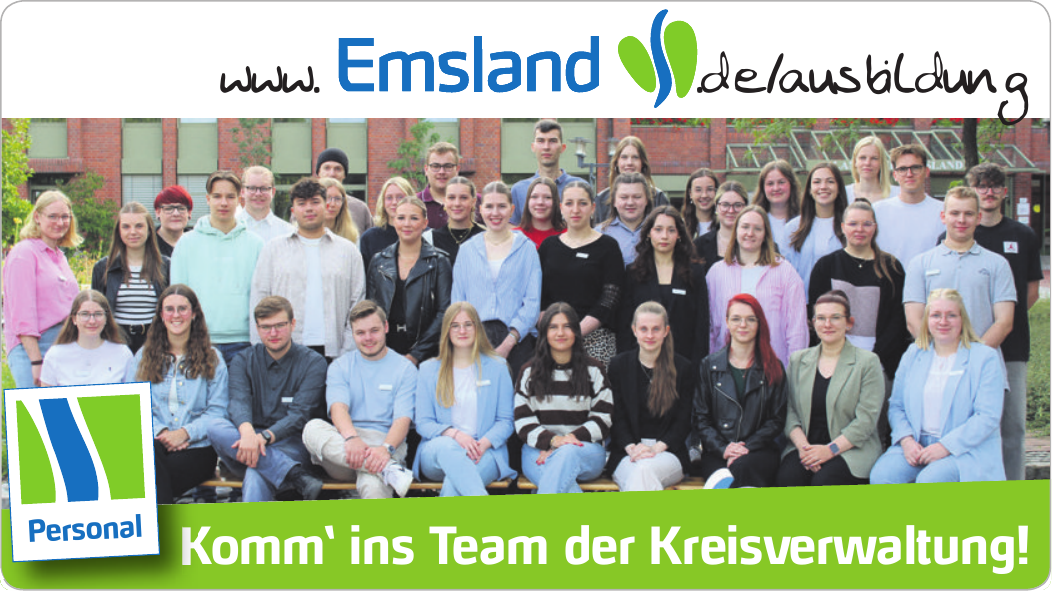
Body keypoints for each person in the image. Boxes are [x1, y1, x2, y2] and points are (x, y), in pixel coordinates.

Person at [870, 289, 1006, 483]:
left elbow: (987, 416)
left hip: (964, 449)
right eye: (936, 315)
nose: (943, 322)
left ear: (962, 319)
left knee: (931, 479)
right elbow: (897, 405)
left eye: (951, 315)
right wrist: (906, 441)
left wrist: (945, 446)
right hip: (917, 443)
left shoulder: (984, 357)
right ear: (927, 320)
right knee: (883, 475)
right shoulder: (913, 353)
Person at [964, 163, 1043, 481]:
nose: (989, 192)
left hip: (1012, 344)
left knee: (1012, 426)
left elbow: (1031, 292)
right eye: (982, 186)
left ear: (1005, 192)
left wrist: (1003, 321)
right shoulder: (961, 232)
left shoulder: (1023, 235)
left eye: (995, 186)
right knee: (971, 424)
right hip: (966, 345)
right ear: (972, 190)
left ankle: (1013, 492)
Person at [207, 296, 327, 502]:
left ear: (293, 324)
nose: (273, 333)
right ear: (257, 328)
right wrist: (248, 434)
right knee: (215, 426)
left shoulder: (313, 363)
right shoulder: (243, 360)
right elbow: (239, 401)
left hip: (291, 446)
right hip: (243, 446)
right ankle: (294, 475)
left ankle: (285, 474)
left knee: (256, 473)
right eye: (266, 327)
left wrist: (262, 439)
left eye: (280, 325)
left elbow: (300, 415)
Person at [302, 300, 417, 499]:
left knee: (373, 487)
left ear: (386, 327)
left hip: (386, 445)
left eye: (374, 331)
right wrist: (352, 438)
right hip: (346, 449)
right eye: (360, 333)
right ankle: (388, 470)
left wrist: (385, 450)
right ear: (353, 334)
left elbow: (402, 420)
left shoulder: (405, 369)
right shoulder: (340, 366)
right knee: (311, 429)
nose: (368, 338)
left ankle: (380, 469)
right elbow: (338, 408)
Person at [127, 284, 228, 505]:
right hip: (155, 444)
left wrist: (184, 433)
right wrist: (162, 432)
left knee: (144, 477)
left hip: (197, 448)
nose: (176, 315)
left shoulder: (213, 359)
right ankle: (164, 522)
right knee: (151, 456)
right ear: (161, 315)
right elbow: (133, 405)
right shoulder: (143, 357)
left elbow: (218, 412)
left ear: (194, 314)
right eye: (169, 309)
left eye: (182, 309)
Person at [250, 177, 366, 362]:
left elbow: (357, 303)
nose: (309, 208)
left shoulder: (348, 251)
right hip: (284, 350)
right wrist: (262, 349)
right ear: (293, 210)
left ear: (326, 206)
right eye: (302, 203)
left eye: (315, 202)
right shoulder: (273, 250)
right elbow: (259, 299)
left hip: (334, 351)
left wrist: (347, 351)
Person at [777, 290, 885, 487]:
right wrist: (804, 448)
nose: (827, 324)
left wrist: (829, 450)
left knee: (824, 482)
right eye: (821, 318)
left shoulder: (867, 362)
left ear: (849, 323)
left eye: (835, 317)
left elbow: (866, 421)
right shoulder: (798, 360)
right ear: (813, 323)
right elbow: (788, 410)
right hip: (806, 446)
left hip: (850, 449)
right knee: (788, 479)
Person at [414, 302, 517, 496]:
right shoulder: (428, 370)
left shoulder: (498, 367)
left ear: (477, 328)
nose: (462, 331)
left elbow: (506, 421)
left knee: (454, 485)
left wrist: (483, 444)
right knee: (447, 447)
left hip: (484, 451)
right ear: (447, 331)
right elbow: (423, 423)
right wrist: (456, 435)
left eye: (468, 324)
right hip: (438, 452)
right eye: (455, 325)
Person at [514, 303, 614, 494]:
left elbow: (603, 418)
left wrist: (567, 441)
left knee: (565, 455)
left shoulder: (594, 370)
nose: (560, 333)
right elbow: (523, 421)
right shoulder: (528, 372)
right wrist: (552, 441)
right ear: (544, 333)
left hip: (585, 449)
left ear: (576, 331)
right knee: (558, 480)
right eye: (553, 327)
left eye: (567, 326)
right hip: (537, 450)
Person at [903, 187, 1015, 351]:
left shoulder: (998, 264)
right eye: (955, 213)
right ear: (943, 217)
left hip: (982, 361)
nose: (961, 220)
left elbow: (1004, 322)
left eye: (968, 214)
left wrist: (974, 357)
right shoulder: (920, 264)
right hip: (935, 359)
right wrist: (942, 355)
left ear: (978, 218)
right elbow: (914, 321)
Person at [170, 170, 264, 365]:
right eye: (217, 196)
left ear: (240, 200)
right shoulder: (186, 243)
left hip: (244, 342)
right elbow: (177, 296)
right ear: (207, 199)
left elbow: (263, 295)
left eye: (230, 197)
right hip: (199, 340)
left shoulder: (256, 244)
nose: (223, 203)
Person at [809, 199, 909, 379]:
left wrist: (873, 359)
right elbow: (817, 315)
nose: (860, 229)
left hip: (880, 364)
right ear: (842, 227)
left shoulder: (892, 268)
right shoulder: (826, 266)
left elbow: (898, 320)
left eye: (867, 224)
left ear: (875, 228)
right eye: (853, 224)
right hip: (834, 362)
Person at [694, 294, 787, 488]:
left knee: (740, 469)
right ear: (727, 322)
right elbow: (701, 418)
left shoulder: (773, 367)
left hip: (760, 451)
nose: (743, 325)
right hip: (718, 452)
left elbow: (777, 420)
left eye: (750, 319)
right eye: (736, 319)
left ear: (759, 323)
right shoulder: (709, 366)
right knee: (726, 475)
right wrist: (724, 448)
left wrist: (746, 447)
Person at [452, 181, 541, 377]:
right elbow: (458, 302)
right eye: (489, 206)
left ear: (512, 210)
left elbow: (532, 302)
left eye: (501, 206)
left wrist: (508, 343)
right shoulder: (466, 250)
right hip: (475, 342)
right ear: (480, 210)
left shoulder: (527, 248)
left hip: (517, 343)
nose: (495, 213)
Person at [706, 205, 808, 367]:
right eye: (745, 227)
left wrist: (793, 371)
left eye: (757, 229)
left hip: (773, 366)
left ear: (766, 234)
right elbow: (711, 328)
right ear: (736, 231)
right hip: (726, 368)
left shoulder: (785, 272)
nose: (750, 233)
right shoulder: (716, 273)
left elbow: (797, 330)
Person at [607, 302, 693, 491]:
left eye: (656, 329)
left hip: (668, 453)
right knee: (642, 472)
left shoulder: (683, 368)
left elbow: (683, 420)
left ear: (666, 331)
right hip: (627, 454)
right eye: (644, 329)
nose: (650, 335)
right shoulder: (619, 366)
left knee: (644, 470)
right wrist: (632, 448)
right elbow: (616, 416)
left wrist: (655, 449)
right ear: (634, 330)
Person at [538, 181, 626, 367]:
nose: (575, 209)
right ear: (561, 208)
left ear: (593, 208)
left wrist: (575, 332)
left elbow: (610, 297)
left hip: (596, 340)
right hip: (554, 340)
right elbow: (540, 296)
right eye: (569, 203)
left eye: (583, 203)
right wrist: (554, 331)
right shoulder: (548, 247)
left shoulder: (608, 246)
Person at [3, 190, 83, 388]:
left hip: (64, 343)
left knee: (62, 409)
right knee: (39, 407)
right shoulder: (24, 253)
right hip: (34, 347)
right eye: (52, 216)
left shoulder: (58, 256)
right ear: (37, 217)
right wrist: (36, 360)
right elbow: (22, 313)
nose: (59, 222)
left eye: (65, 217)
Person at [366, 196, 452, 366]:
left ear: (425, 223)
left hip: (428, 356)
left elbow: (445, 312)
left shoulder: (439, 262)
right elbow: (370, 309)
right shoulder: (378, 261)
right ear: (394, 221)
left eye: (414, 218)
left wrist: (416, 355)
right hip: (385, 354)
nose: (407, 224)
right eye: (401, 218)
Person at [619, 206, 709, 365]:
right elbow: (625, 325)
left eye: (671, 230)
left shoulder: (694, 272)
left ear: (679, 234)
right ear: (649, 233)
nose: (664, 236)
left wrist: (697, 366)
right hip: (642, 361)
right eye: (658, 229)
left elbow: (701, 324)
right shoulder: (633, 273)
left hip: (684, 362)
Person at [91, 202, 170, 353]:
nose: (132, 232)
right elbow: (95, 312)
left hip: (155, 342)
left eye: (139, 226)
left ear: (149, 230)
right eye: (126, 227)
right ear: (119, 231)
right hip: (116, 342)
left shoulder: (166, 266)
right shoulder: (103, 268)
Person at [871, 143, 944, 268]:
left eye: (915, 167)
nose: (909, 174)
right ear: (895, 175)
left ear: (926, 172)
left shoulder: (943, 211)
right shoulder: (877, 211)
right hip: (888, 278)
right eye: (902, 169)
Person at [40, 290, 133, 387]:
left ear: (106, 318)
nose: (92, 321)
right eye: (85, 314)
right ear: (74, 319)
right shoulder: (55, 355)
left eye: (98, 314)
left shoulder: (123, 354)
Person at [783, 163, 849, 298]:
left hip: (841, 304)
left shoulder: (850, 227)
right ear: (809, 189)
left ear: (839, 188)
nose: (823, 187)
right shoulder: (792, 228)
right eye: (817, 182)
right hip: (803, 303)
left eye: (830, 181)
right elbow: (786, 273)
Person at [509, 119, 586, 225]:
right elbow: (512, 230)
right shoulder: (518, 190)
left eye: (552, 141)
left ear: (563, 148)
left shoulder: (580, 187)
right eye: (540, 141)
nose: (546, 147)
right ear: (533, 147)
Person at [593, 136, 670, 224]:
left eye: (635, 157)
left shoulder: (658, 198)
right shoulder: (601, 200)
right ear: (617, 162)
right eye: (624, 157)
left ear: (642, 163)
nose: (629, 163)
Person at [693, 181, 748, 275]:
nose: (731, 210)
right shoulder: (698, 246)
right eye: (725, 205)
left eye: (737, 205)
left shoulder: (758, 243)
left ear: (746, 207)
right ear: (716, 207)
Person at [359, 177, 416, 268]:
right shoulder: (370, 238)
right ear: (383, 202)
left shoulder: (423, 234)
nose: (394, 202)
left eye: (400, 197)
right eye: (389, 198)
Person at [600, 172, 654, 265]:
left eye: (637, 197)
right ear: (614, 201)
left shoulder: (661, 231)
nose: (630, 202)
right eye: (624, 197)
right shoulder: (599, 234)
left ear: (646, 200)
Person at [316, 147, 373, 232]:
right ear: (318, 172)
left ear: (344, 175)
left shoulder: (360, 210)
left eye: (338, 169)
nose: (332, 174)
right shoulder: (304, 206)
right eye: (327, 168)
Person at [431, 176, 484, 265]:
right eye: (451, 197)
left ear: (473, 202)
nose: (457, 203)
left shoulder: (485, 237)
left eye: (463, 198)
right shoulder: (430, 239)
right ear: (444, 201)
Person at [236, 165, 294, 243]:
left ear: (273, 192)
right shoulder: (229, 229)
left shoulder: (288, 232)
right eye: (252, 188)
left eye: (264, 188)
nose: (258, 193)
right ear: (242, 192)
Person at [753, 160, 801, 247]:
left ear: (792, 184)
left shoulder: (804, 220)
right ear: (763, 187)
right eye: (770, 183)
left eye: (781, 182)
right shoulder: (755, 220)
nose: (776, 188)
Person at [417, 142, 460, 228]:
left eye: (448, 166)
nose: (441, 172)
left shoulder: (475, 202)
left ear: (457, 170)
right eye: (435, 166)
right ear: (426, 170)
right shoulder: (414, 203)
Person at [844, 136, 899, 204]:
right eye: (862, 157)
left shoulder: (897, 194)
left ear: (881, 163)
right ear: (855, 162)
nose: (867, 163)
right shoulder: (843, 194)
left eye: (874, 158)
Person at [517, 176, 566, 248]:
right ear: (528, 201)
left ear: (555, 202)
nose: (540, 202)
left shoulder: (568, 235)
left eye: (547, 197)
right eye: (534, 197)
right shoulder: (514, 236)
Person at [318, 177, 361, 244]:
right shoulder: (303, 235)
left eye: (337, 199)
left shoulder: (351, 236)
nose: (332, 204)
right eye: (326, 198)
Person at [153, 185, 193, 257]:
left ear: (189, 213)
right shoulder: (148, 244)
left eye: (181, 208)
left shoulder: (198, 242)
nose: (176, 214)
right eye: (169, 208)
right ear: (158, 213)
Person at [681, 168, 720, 239]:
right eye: (698, 190)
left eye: (710, 189)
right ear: (690, 194)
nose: (704, 195)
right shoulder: (680, 226)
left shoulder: (724, 225)